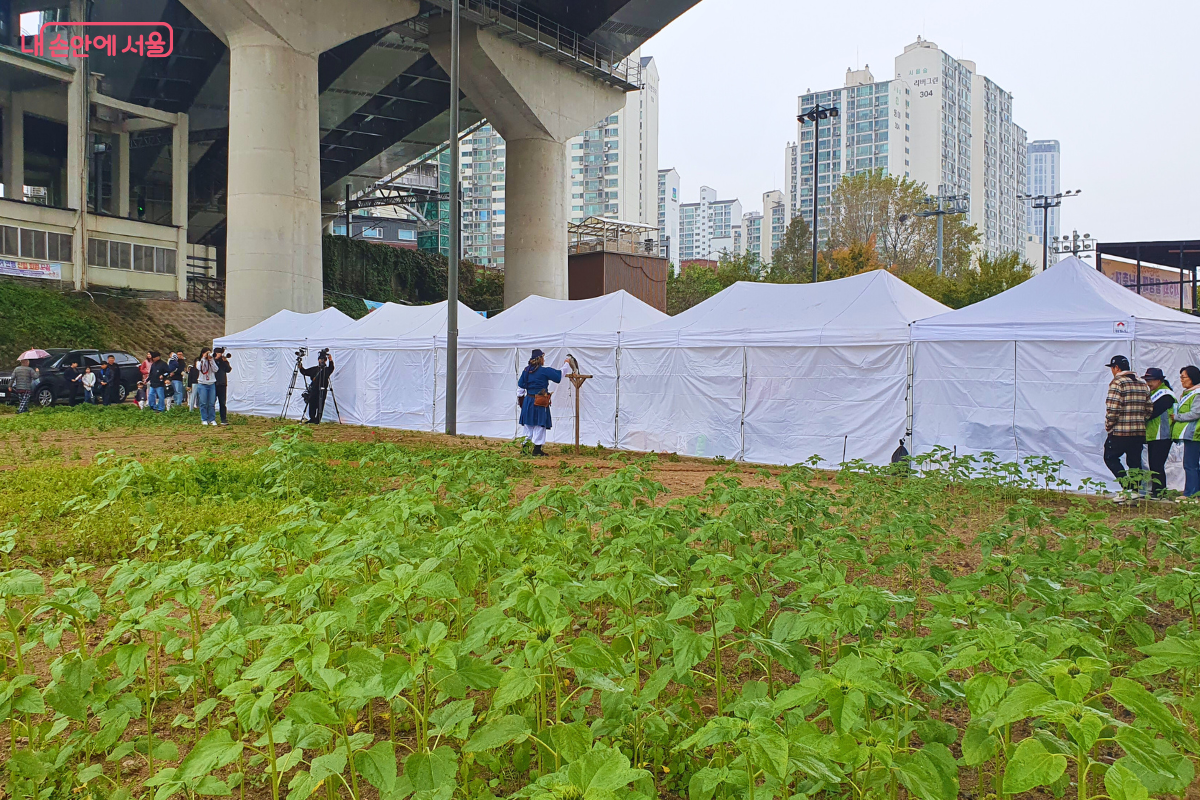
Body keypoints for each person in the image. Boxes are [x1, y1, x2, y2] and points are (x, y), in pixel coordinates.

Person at [1103, 355, 1150, 490]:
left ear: (1116, 367)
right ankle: (1135, 490)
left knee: (1110, 457)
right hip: (1138, 431)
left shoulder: (1118, 382)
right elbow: (1149, 408)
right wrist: (1140, 421)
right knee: (1135, 462)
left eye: (1112, 368)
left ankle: (1127, 486)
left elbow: (1113, 408)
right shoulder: (1142, 382)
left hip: (1120, 431)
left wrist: (1109, 425)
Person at [517, 349, 563, 457]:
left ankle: (525, 449)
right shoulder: (544, 371)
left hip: (528, 400)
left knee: (528, 425)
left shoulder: (526, 371)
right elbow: (558, 376)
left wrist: (522, 403)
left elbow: (520, 390)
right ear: (540, 359)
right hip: (540, 401)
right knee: (540, 424)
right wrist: (566, 364)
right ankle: (537, 449)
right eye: (543, 358)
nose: (544, 360)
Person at [1143, 367, 1175, 498]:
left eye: (1151, 380)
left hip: (1163, 434)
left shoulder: (1166, 395)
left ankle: (1160, 491)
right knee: (1154, 464)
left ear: (1160, 380)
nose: (1148, 383)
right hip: (1154, 434)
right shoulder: (1154, 393)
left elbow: (1152, 413)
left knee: (1157, 464)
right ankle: (1157, 490)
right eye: (1147, 380)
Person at [1172, 365, 1200, 498]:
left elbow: (1195, 413)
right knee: (1191, 464)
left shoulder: (1197, 393)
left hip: (1195, 433)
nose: (1181, 380)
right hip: (1191, 433)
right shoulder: (1189, 393)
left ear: (1192, 378)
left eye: (1184, 377)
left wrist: (1177, 417)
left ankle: (1191, 494)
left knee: (1190, 464)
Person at [300, 350, 335, 424]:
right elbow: (305, 372)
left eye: (323, 359)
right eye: (320, 359)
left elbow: (331, 368)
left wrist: (330, 360)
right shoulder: (314, 369)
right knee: (312, 403)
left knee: (320, 404)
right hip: (314, 389)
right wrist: (300, 366)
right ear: (318, 360)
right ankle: (312, 418)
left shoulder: (326, 370)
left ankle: (317, 419)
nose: (321, 361)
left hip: (322, 389)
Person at [194, 348, 218, 425]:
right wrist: (204, 358)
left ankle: (212, 419)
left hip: (211, 383)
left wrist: (211, 360)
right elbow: (199, 368)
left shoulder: (211, 360)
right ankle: (204, 419)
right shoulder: (198, 361)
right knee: (203, 402)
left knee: (211, 403)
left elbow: (216, 369)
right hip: (202, 384)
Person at [214, 348, 232, 425]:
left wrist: (225, 361)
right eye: (219, 353)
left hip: (222, 384)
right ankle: (211, 418)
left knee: (222, 402)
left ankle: (223, 419)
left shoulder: (223, 362)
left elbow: (228, 370)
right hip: (213, 383)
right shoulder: (212, 361)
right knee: (212, 402)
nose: (221, 354)